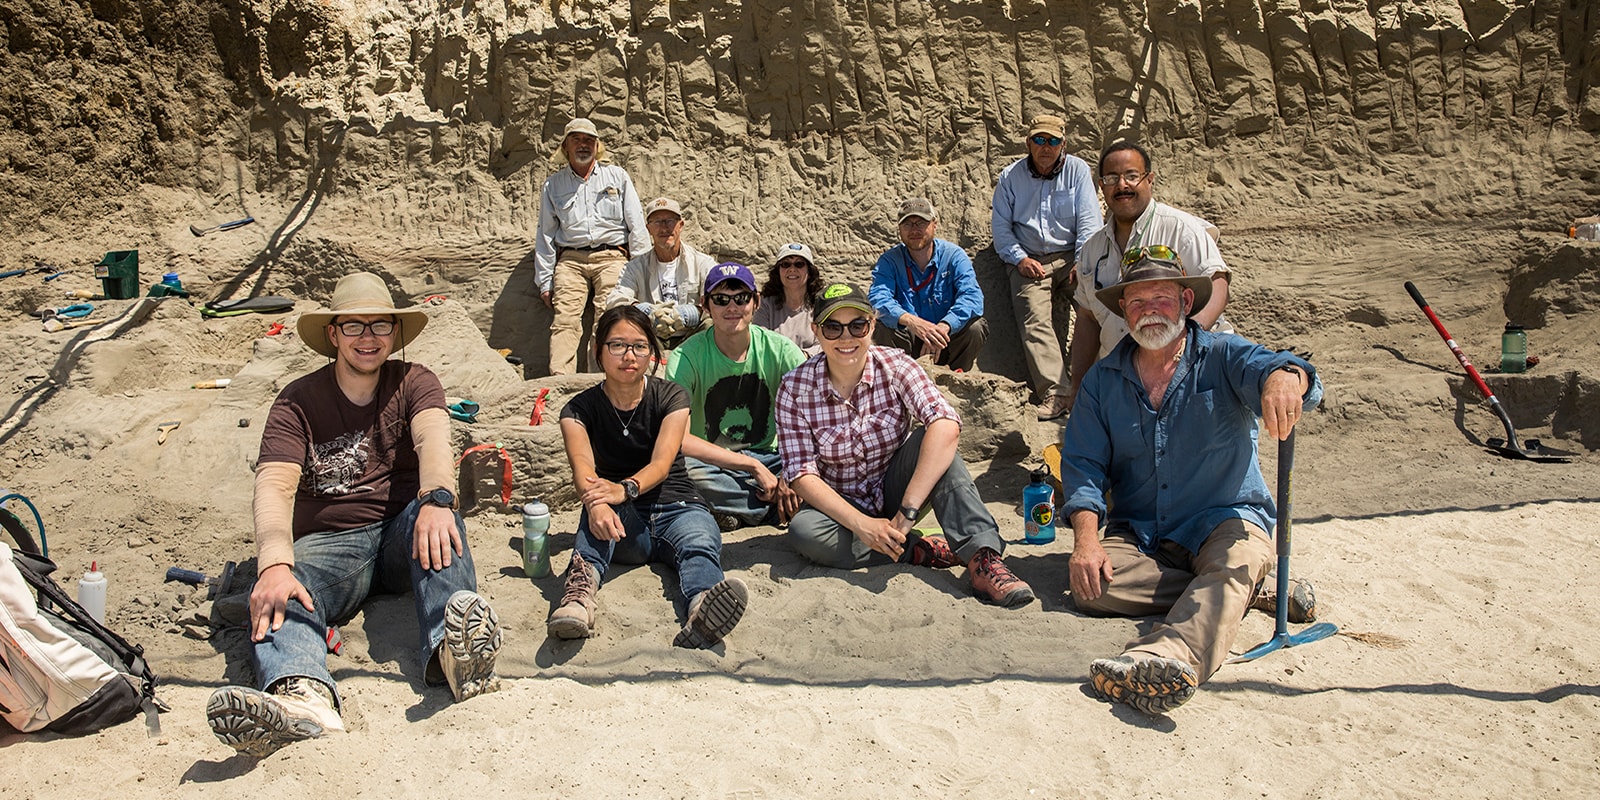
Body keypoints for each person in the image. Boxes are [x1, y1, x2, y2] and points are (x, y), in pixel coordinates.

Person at [207, 272, 502, 757]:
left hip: (403, 527)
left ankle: (454, 655)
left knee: (445, 529)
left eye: (380, 325)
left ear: (394, 332)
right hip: (330, 542)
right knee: (285, 593)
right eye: (354, 326)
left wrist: (437, 498)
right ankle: (303, 696)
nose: (368, 338)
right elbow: (275, 485)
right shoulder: (297, 401)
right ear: (333, 334)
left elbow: (434, 440)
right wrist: (275, 562)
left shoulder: (414, 380)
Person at [1058, 252, 1320, 714]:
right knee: (1092, 588)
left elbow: (1277, 367)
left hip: (1224, 520)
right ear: (1122, 310)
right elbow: (1082, 465)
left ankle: (1168, 654)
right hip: (1142, 532)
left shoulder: (1222, 354)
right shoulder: (1102, 381)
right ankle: (1242, 588)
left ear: (1184, 300)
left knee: (1233, 558)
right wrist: (1085, 541)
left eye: (1161, 297)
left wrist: (1286, 377)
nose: (1149, 310)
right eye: (1136, 301)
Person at [775, 282, 1036, 607]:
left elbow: (945, 423)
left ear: (871, 325)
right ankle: (917, 549)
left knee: (938, 444)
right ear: (816, 331)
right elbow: (802, 474)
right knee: (804, 532)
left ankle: (982, 558)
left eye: (857, 325)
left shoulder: (897, 365)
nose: (846, 338)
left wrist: (907, 512)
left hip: (899, 489)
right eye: (833, 327)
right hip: (841, 505)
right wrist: (864, 525)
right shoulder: (794, 387)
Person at [549, 305, 749, 648]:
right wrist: (596, 502)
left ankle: (703, 605)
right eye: (617, 345)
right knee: (595, 522)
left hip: (677, 504)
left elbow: (661, 463)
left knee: (699, 545)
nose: (629, 355)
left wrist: (622, 489)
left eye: (639, 346)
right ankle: (579, 599)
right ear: (599, 353)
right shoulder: (577, 410)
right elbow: (583, 467)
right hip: (622, 520)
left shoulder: (671, 397)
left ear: (652, 355)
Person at [1065, 140, 1232, 412]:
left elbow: (1218, 285)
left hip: (1192, 376)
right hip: (1126, 383)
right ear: (1101, 186)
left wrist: (1186, 346)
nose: (1122, 186)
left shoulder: (1181, 229)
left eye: (1132, 176)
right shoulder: (1092, 250)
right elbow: (1087, 317)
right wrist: (1079, 387)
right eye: (1112, 178)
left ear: (1149, 179)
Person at [667, 262, 806, 531]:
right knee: (678, 470)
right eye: (720, 299)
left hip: (774, 457)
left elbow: (812, 421)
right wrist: (751, 466)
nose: (732, 307)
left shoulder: (782, 351)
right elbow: (678, 439)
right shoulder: (685, 358)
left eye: (741, 298)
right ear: (705, 305)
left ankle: (736, 510)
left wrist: (793, 473)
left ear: (756, 302)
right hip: (713, 461)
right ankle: (772, 511)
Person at [990, 114, 1103, 420]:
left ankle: (1098, 387)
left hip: (1071, 255)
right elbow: (1001, 227)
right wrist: (1019, 258)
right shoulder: (1010, 176)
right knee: (1032, 315)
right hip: (1027, 257)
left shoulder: (1078, 171)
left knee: (1098, 307)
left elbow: (1090, 222)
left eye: (1053, 141)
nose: (1046, 147)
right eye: (1039, 140)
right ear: (1028, 143)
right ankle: (1057, 394)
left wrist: (1083, 261)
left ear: (1063, 144)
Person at [534, 117, 649, 375]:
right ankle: (559, 379)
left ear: (597, 146)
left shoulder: (616, 177)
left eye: (589, 141)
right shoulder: (554, 185)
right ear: (566, 147)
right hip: (571, 260)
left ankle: (599, 379)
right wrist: (545, 281)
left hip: (612, 256)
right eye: (577, 140)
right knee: (564, 319)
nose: (583, 145)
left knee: (607, 317)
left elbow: (637, 225)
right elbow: (545, 235)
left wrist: (641, 269)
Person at [869, 198, 989, 372]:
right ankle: (898, 375)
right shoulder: (889, 261)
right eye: (907, 224)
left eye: (921, 223)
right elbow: (878, 300)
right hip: (910, 339)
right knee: (881, 325)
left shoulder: (954, 256)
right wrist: (913, 322)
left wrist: (943, 327)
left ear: (934, 224)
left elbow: (972, 297)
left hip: (946, 339)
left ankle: (957, 376)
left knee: (976, 327)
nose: (914, 230)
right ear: (899, 230)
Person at [604, 196, 717, 349]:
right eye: (657, 222)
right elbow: (614, 300)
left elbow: (717, 298)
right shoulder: (635, 267)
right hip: (651, 338)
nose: (664, 228)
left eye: (670, 221)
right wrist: (644, 311)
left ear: (680, 225)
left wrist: (692, 313)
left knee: (712, 324)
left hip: (693, 337)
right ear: (648, 228)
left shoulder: (702, 263)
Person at [753, 241, 823, 355]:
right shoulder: (765, 304)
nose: (792, 269)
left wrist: (801, 356)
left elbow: (825, 344)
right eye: (786, 264)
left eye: (799, 264)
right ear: (778, 271)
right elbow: (760, 341)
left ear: (809, 271)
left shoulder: (820, 304)